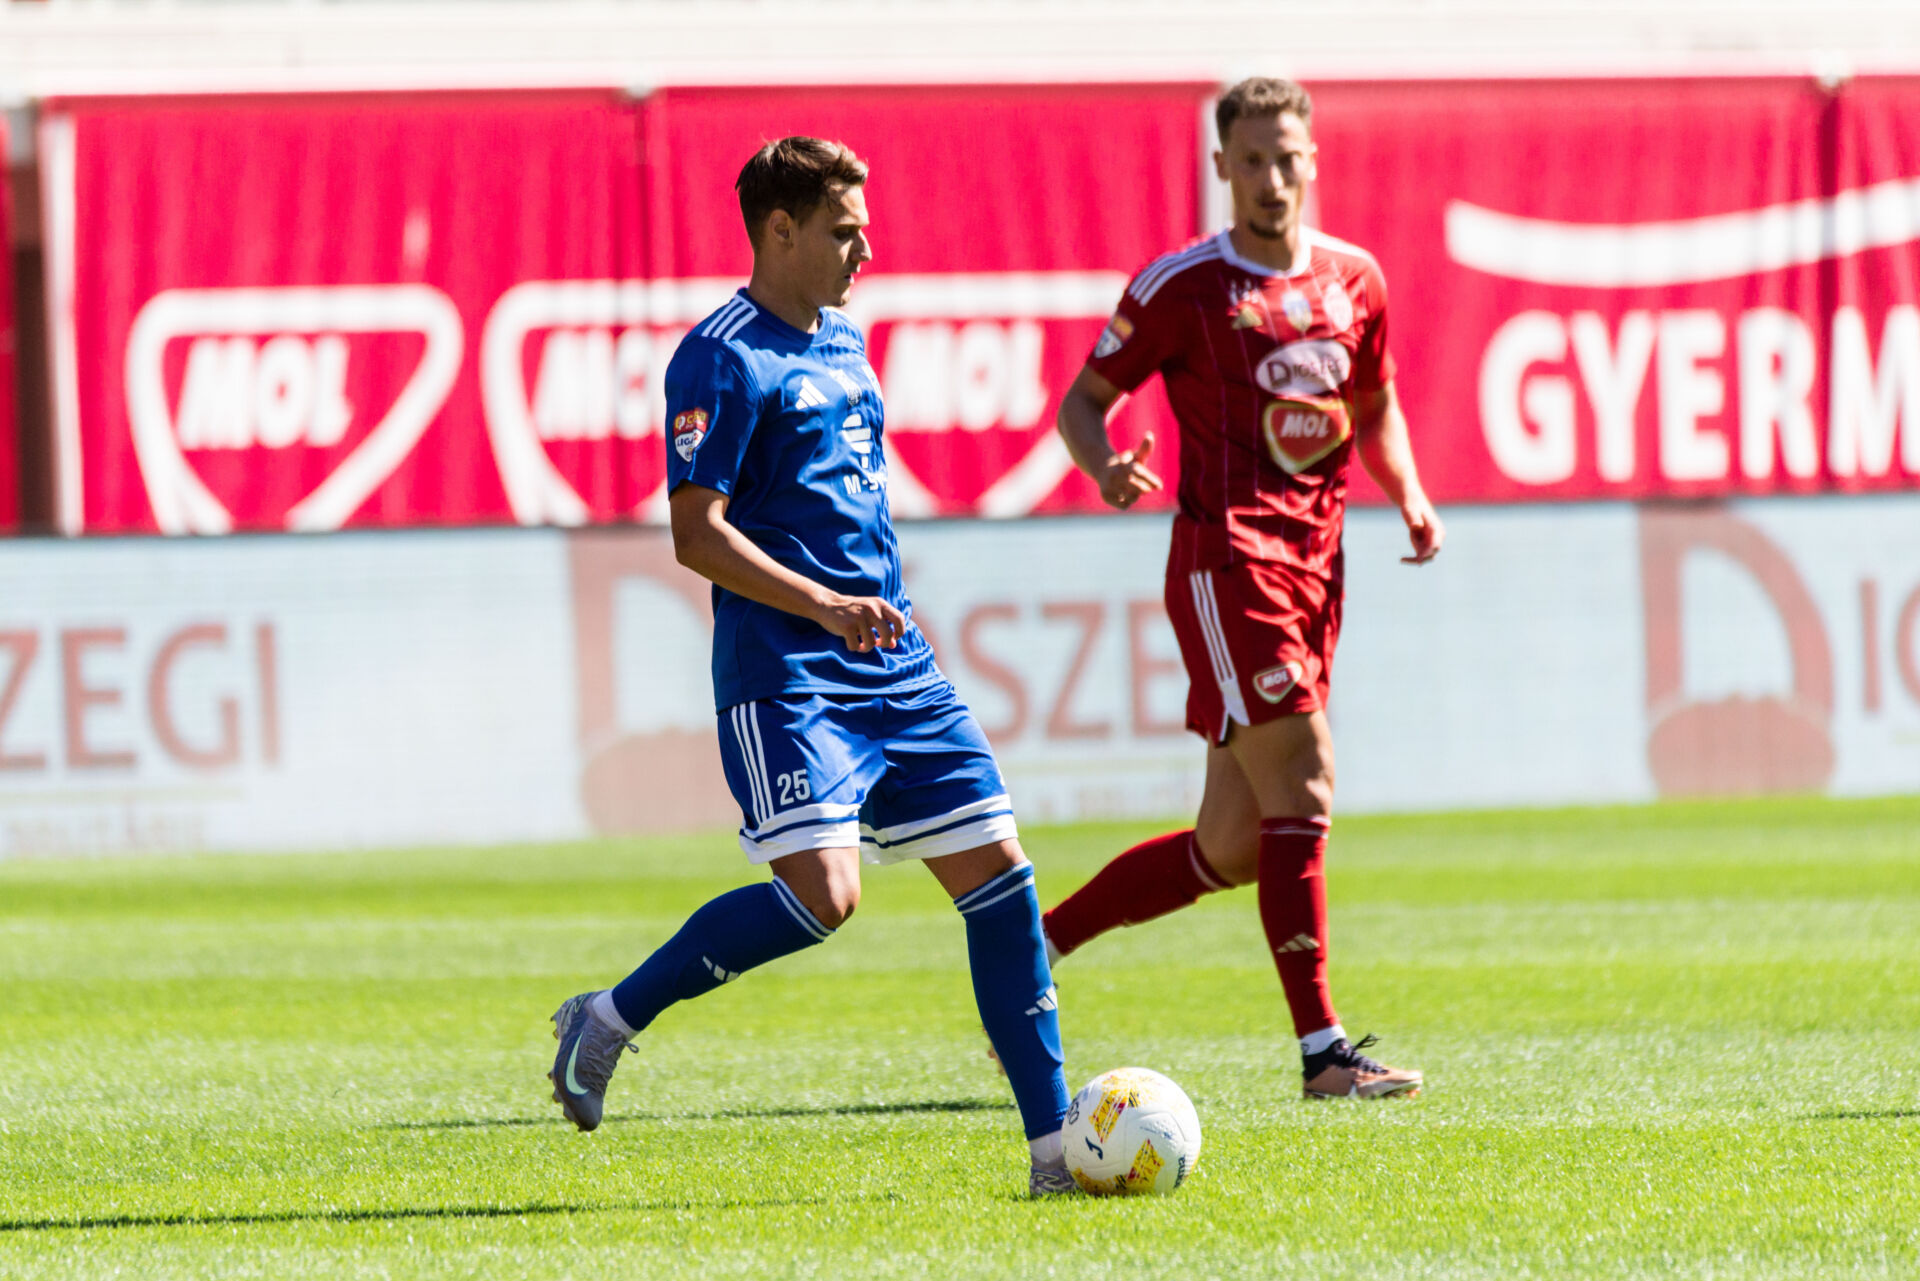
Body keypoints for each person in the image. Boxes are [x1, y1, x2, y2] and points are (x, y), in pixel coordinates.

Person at [547, 136, 1076, 1195]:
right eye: (844, 230)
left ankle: (1055, 1154)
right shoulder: (719, 357)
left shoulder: (844, 342)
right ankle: (606, 1018)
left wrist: (869, 603)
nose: (865, 250)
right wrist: (826, 606)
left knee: (1001, 875)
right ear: (780, 230)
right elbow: (695, 534)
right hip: (787, 667)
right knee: (825, 896)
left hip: (894, 663)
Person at [1043, 77, 1443, 1100]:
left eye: (1287, 157)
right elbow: (1083, 403)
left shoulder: (1356, 279)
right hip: (1229, 565)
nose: (1272, 178)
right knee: (1305, 781)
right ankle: (1323, 1054)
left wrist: (1407, 492)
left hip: (1318, 569)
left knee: (1229, 848)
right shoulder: (1184, 287)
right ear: (1222, 166)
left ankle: (1033, 948)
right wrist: (1104, 466)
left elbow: (1374, 405)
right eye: (1252, 160)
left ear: (1314, 159)